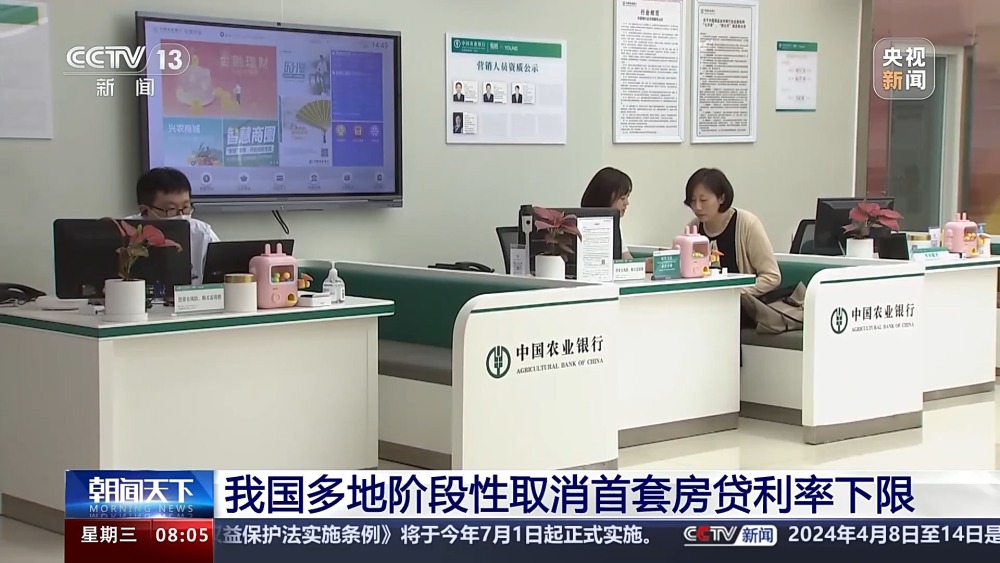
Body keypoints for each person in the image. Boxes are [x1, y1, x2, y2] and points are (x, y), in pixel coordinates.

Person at [683, 168, 781, 327]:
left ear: (721, 198)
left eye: (703, 200)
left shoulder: (747, 224)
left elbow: (772, 276)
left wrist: (734, 292)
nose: (697, 207)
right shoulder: (694, 228)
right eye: (693, 201)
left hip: (741, 308)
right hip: (705, 306)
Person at [127, 167, 220, 285]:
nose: (181, 216)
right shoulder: (124, 231)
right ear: (145, 211)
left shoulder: (202, 234)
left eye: (185, 207)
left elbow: (221, 274)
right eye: (171, 209)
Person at [580, 167, 633, 259]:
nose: (627, 203)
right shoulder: (581, 226)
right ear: (605, 198)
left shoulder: (614, 224)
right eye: (622, 198)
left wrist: (646, 264)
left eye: (627, 197)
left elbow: (626, 258)